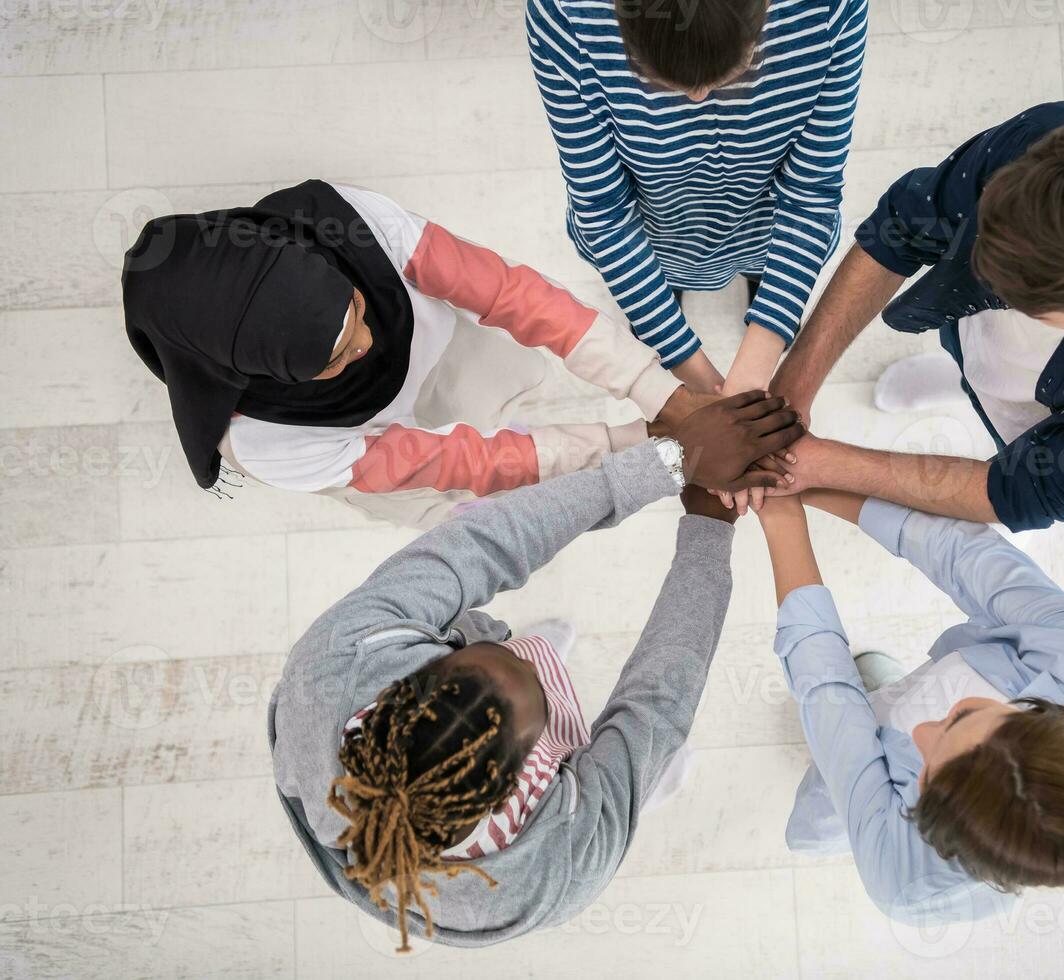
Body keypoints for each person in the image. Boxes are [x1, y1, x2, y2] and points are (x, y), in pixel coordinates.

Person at [270, 392, 804, 951]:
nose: (512, 652)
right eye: (532, 696)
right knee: (638, 761)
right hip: (572, 808)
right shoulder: (561, 863)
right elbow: (655, 705)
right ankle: (638, 789)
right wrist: (708, 527)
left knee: (533, 667)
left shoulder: (340, 654)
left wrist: (672, 460)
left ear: (403, 686)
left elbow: (489, 543)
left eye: (474, 659)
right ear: (525, 777)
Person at [762, 102, 1064, 532]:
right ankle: (961, 380)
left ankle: (982, 393)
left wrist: (823, 462)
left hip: (1053, 407)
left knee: (1011, 426)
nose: (988, 291)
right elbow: (902, 227)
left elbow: (1021, 491)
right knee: (979, 357)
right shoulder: (1049, 140)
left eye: (1025, 303)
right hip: (1014, 345)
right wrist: (794, 389)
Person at [122, 179, 713, 529]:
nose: (368, 343)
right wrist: (626, 444)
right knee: (468, 501)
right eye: (330, 359)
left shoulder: (352, 224)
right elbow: (458, 463)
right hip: (361, 443)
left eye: (354, 309)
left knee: (483, 397)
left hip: (438, 348)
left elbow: (509, 293)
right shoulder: (270, 444)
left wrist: (652, 387)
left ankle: (524, 432)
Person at [754, 489, 1064, 923]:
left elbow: (830, 695)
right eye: (963, 715)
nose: (920, 734)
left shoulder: (902, 882)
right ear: (1038, 712)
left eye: (928, 774)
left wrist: (780, 516)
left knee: (824, 808)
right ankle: (883, 692)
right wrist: (803, 483)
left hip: (872, 822)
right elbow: (958, 550)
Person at [525, 0, 867, 399]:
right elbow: (604, 211)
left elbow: (809, 196)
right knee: (658, 291)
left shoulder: (829, 10)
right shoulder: (567, 14)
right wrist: (686, 361)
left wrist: (764, 344)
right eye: (664, 79)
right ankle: (666, 296)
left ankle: (761, 287)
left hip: (768, 231)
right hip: (654, 235)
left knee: (765, 274)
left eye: (731, 70)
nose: (698, 96)